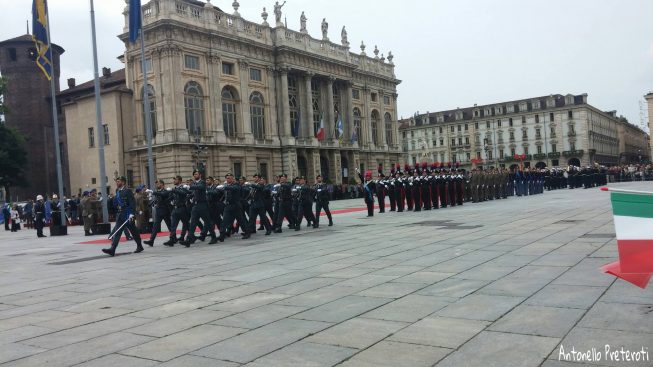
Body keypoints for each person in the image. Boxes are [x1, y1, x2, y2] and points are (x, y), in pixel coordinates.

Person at [102, 176, 143, 256]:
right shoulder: (118, 191)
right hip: (120, 215)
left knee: (133, 231)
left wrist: (131, 214)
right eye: (117, 181)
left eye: (119, 181)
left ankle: (139, 245)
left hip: (128, 214)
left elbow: (132, 202)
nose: (117, 183)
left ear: (123, 182)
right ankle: (112, 249)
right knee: (117, 232)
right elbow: (116, 203)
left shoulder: (128, 191)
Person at [181, 169, 218, 247]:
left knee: (207, 222)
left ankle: (214, 237)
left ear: (200, 175)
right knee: (193, 223)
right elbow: (193, 193)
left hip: (202, 205)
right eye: (194, 174)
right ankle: (188, 240)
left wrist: (190, 186)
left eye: (197, 174)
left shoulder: (202, 182)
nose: (195, 175)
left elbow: (200, 187)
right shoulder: (194, 183)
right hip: (195, 206)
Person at [218, 172, 251, 241]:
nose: (228, 179)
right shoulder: (227, 185)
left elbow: (234, 188)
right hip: (228, 206)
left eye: (229, 178)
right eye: (227, 178)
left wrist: (225, 187)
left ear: (233, 179)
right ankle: (222, 235)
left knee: (241, 220)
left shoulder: (236, 185)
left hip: (236, 206)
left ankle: (247, 232)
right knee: (224, 221)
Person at [144, 179, 172, 247]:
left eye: (158, 183)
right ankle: (151, 241)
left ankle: (173, 239)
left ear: (162, 184)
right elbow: (156, 200)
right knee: (155, 227)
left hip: (165, 211)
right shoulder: (157, 191)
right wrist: (152, 204)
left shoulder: (165, 191)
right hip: (158, 211)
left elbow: (162, 195)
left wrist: (153, 192)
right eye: (156, 184)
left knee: (170, 226)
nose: (157, 185)